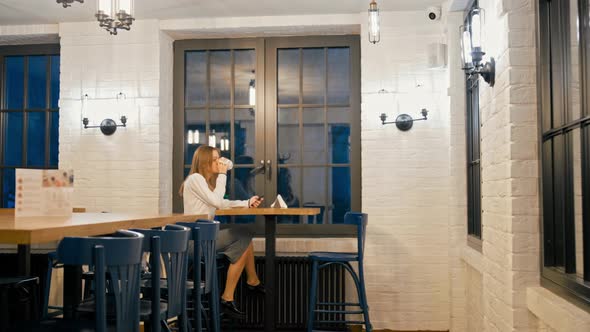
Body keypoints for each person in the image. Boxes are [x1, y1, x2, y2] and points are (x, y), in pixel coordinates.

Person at [180, 145, 265, 319]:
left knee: (244, 235)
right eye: (215, 159)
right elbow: (218, 203)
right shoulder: (195, 178)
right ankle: (238, 290)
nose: (219, 162)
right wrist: (223, 175)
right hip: (193, 242)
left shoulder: (204, 183)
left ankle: (247, 285)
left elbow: (222, 203)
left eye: (220, 158)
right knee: (243, 234)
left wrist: (247, 202)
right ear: (204, 162)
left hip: (204, 237)